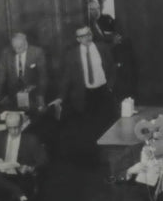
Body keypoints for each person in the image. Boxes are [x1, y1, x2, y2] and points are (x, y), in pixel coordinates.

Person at [50, 25, 117, 161]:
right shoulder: (72, 54)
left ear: (91, 34)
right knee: (88, 129)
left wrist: (110, 86)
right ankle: (94, 159)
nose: (86, 38)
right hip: (84, 95)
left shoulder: (103, 48)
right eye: (82, 36)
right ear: (77, 39)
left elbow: (112, 68)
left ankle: (107, 158)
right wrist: (60, 98)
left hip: (103, 92)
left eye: (88, 34)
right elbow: (66, 78)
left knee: (106, 125)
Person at [87, 0, 137, 100]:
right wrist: (113, 43)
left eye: (98, 8)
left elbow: (107, 36)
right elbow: (96, 46)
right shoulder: (88, 26)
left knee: (126, 46)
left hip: (109, 55)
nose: (96, 11)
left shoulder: (102, 21)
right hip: (100, 59)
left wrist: (114, 38)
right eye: (92, 9)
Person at [0, 32, 48, 113]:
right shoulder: (6, 53)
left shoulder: (37, 52)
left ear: (26, 43)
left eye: (19, 47)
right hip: (13, 96)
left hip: (33, 95)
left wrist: (40, 96)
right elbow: (0, 76)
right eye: (14, 47)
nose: (17, 50)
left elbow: (43, 77)